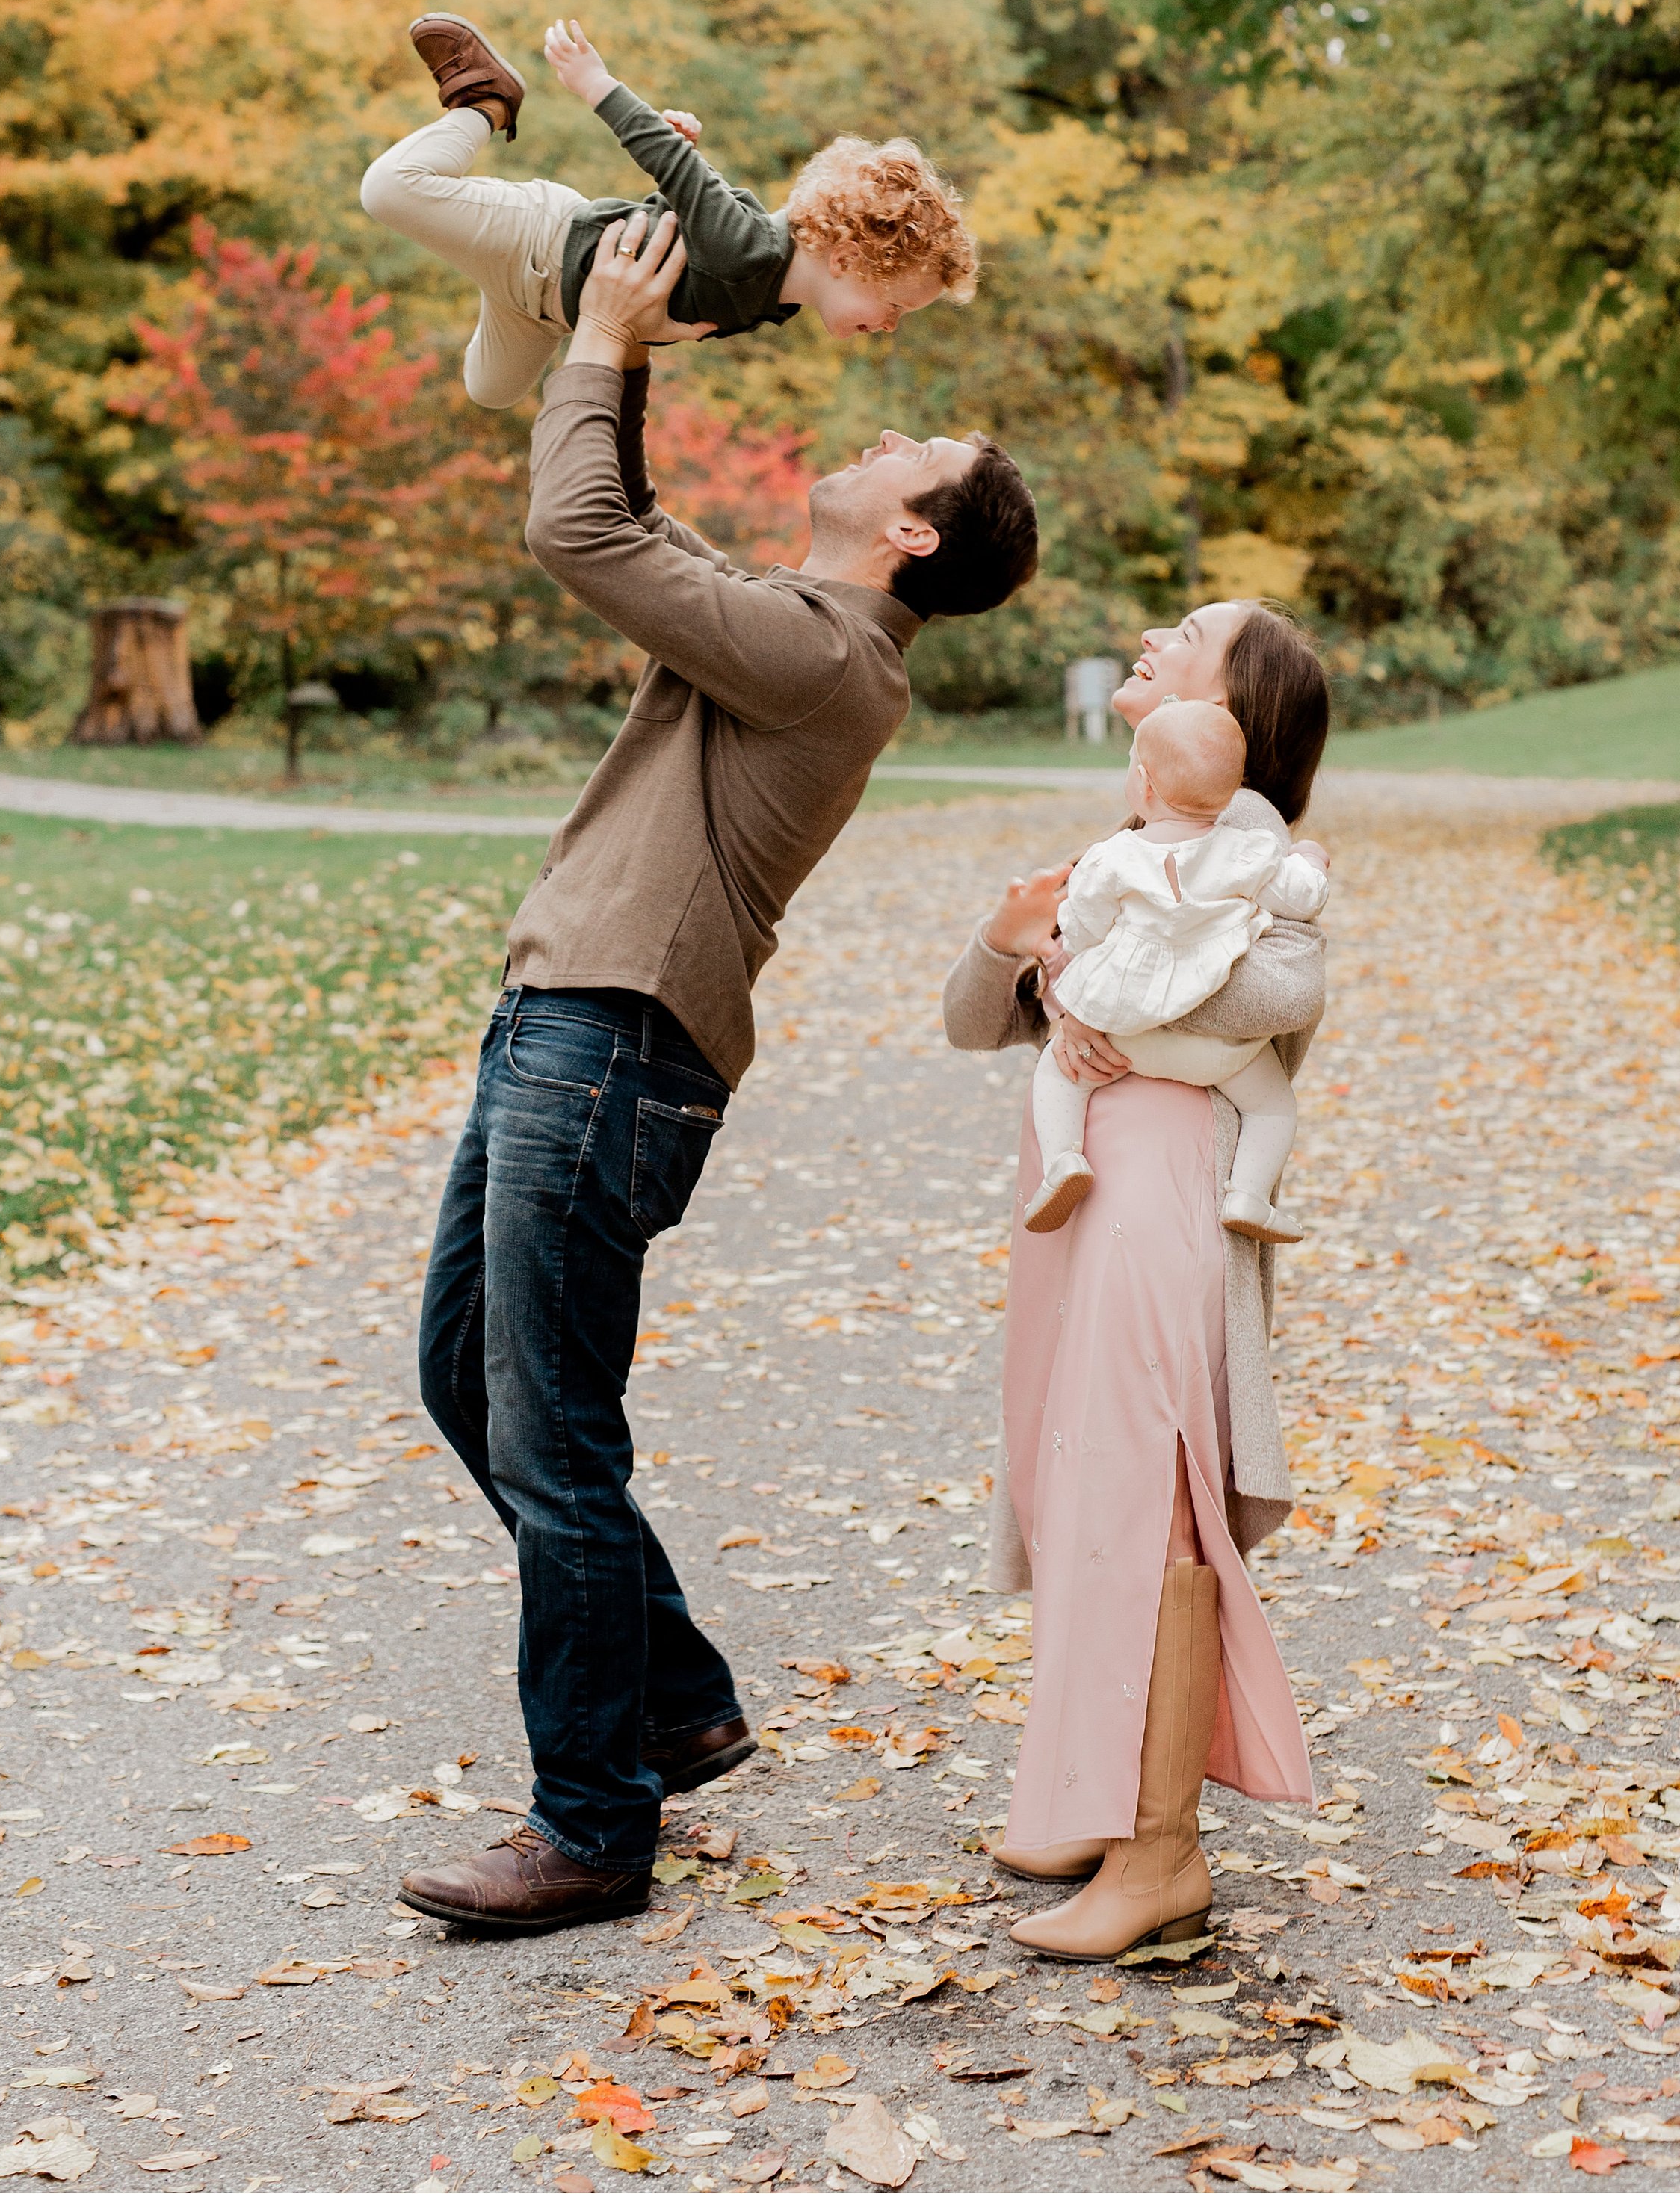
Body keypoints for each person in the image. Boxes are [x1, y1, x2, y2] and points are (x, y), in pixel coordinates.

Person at [397, 208, 1038, 1936]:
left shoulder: (831, 657)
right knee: (470, 1378)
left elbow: (577, 527)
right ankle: (673, 1696)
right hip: (567, 1026)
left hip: (610, 1047)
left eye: (913, 449)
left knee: (551, 1438)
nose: (879, 429)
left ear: (912, 531)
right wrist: (617, 354)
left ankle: (595, 1818)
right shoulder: (785, 624)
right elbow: (639, 527)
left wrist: (603, 337)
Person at [942, 601, 1330, 1959]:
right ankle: (1091, 1792)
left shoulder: (1256, 878)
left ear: (1240, 716)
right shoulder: (1117, 858)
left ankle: (1162, 1847)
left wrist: (1096, 978)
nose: (1156, 634)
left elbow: (1268, 996)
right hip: (1081, 1192)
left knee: (1156, 1489)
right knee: (1077, 1482)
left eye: (1193, 632)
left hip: (1166, 1197)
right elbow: (969, 1017)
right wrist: (1018, 948)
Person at [359, 13, 978, 409]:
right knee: (387, 189)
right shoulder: (750, 250)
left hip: (546, 308)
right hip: (540, 239)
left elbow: (677, 215)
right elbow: (674, 174)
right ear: (844, 258)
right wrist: (598, 85)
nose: (893, 325)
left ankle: (478, 264)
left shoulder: (779, 295)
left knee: (490, 391)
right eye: (896, 306)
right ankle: (487, 101)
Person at [1026, 696, 1330, 1237]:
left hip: (1124, 1031)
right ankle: (1248, 1195)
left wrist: (1081, 977)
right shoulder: (1247, 852)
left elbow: (1082, 928)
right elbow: (1303, 898)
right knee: (1273, 1107)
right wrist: (1310, 859)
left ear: (1143, 786)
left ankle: (1063, 1162)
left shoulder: (1113, 857)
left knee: (1058, 1070)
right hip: (1217, 1051)